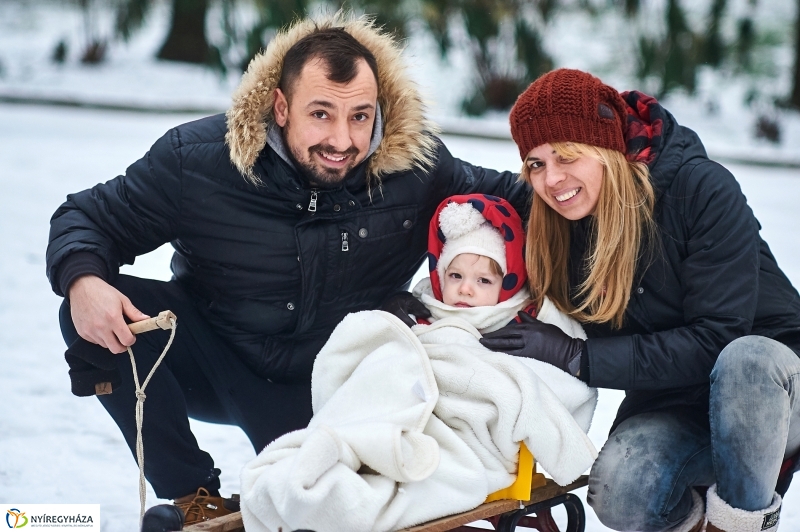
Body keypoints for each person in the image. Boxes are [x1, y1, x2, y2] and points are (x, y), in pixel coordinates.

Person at [45, 15, 528, 523]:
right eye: (321, 114)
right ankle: (193, 498)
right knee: (95, 307)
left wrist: (587, 184)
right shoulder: (197, 162)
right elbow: (89, 217)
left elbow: (517, 200)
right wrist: (83, 280)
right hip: (219, 357)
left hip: (337, 384)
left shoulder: (414, 168)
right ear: (281, 107)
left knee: (328, 511)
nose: (342, 139)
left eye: (360, 116)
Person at [479, 68, 800, 532]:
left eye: (567, 156)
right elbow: (455, 181)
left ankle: (740, 521)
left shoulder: (701, 190)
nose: (552, 179)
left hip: (776, 387)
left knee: (745, 359)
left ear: (604, 148)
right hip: (679, 397)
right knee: (619, 491)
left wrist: (578, 356)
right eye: (536, 163)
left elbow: (716, 340)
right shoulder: (561, 217)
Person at [411, 193, 585, 344]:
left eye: (484, 280)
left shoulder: (529, 320)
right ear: (440, 277)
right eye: (456, 275)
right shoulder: (421, 313)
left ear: (507, 285)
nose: (465, 289)